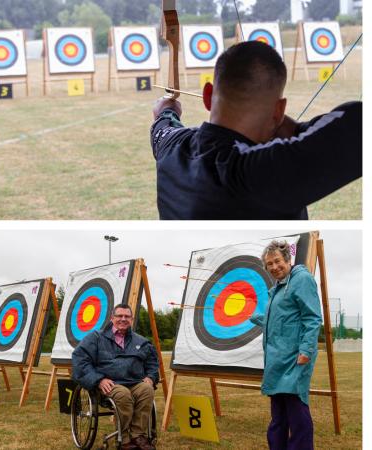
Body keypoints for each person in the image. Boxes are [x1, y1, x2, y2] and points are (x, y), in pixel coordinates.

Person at [151, 41, 361, 220]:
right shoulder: (260, 172)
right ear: (279, 111)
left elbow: (164, 124)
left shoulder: (170, 146)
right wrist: (294, 128)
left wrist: (167, 109)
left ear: (208, 95)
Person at [250, 240, 321, 449]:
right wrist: (259, 318)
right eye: (269, 264)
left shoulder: (301, 279)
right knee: (278, 416)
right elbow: (283, 321)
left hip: (294, 359)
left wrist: (306, 350)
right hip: (277, 360)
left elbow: (312, 318)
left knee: (297, 414)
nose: (274, 267)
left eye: (277, 261)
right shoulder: (277, 289)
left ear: (288, 259)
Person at [72, 304, 159, 450]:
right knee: (123, 394)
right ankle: (124, 440)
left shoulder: (141, 341)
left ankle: (138, 435)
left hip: (135, 382)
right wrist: (98, 380)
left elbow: (152, 363)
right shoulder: (95, 338)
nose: (123, 319)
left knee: (146, 390)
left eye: (127, 316)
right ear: (112, 318)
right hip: (110, 383)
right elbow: (80, 360)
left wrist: (151, 377)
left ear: (131, 319)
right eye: (119, 316)